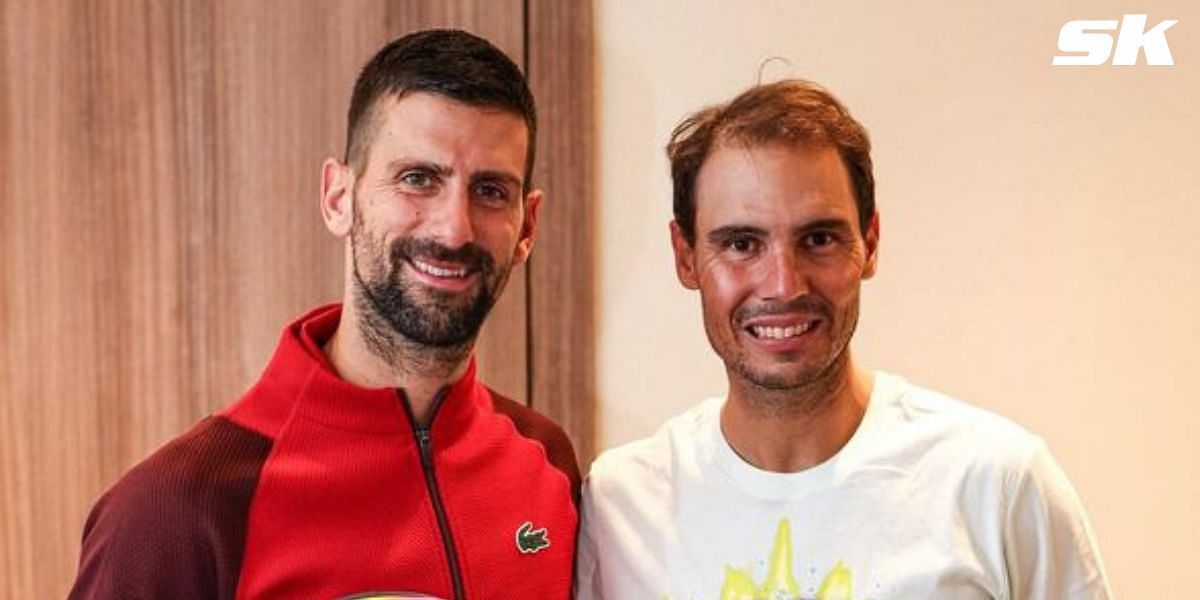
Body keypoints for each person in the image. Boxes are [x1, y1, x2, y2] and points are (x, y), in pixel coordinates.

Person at [69, 29, 579, 600]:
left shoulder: (549, 464)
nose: (454, 228)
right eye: (418, 179)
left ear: (527, 226)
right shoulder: (177, 510)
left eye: (489, 191)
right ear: (339, 198)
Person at [576, 80, 1110, 599]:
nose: (784, 284)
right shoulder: (623, 502)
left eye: (819, 239)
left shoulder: (996, 484)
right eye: (741, 243)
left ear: (869, 244)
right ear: (686, 256)